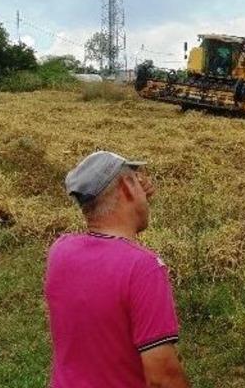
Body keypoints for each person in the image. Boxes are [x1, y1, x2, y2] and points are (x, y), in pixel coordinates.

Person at [45, 151, 189, 388]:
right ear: (126, 185)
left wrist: (135, 199)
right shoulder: (143, 268)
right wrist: (135, 200)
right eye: (135, 177)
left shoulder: (60, 250)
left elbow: (113, 243)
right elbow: (162, 378)